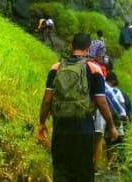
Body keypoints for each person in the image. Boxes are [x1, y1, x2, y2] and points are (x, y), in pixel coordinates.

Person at [38, 33, 118, 181]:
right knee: (83, 172)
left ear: (71, 47)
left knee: (61, 171)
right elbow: (101, 101)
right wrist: (112, 126)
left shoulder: (56, 67)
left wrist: (42, 122)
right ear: (88, 49)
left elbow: (47, 99)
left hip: (60, 128)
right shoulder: (94, 69)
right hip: (84, 128)